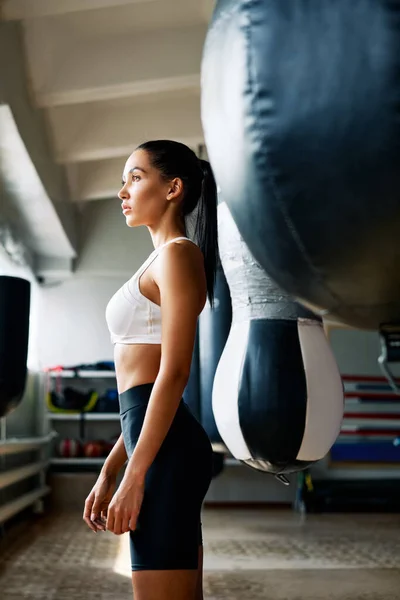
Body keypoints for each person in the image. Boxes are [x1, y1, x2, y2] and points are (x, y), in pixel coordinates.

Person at [83, 140, 218, 600]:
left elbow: (174, 374)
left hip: (165, 453)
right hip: (154, 442)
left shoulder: (179, 255)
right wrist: (110, 469)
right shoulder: (161, 258)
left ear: (173, 188)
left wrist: (134, 477)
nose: (123, 191)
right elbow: (140, 398)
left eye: (135, 178)